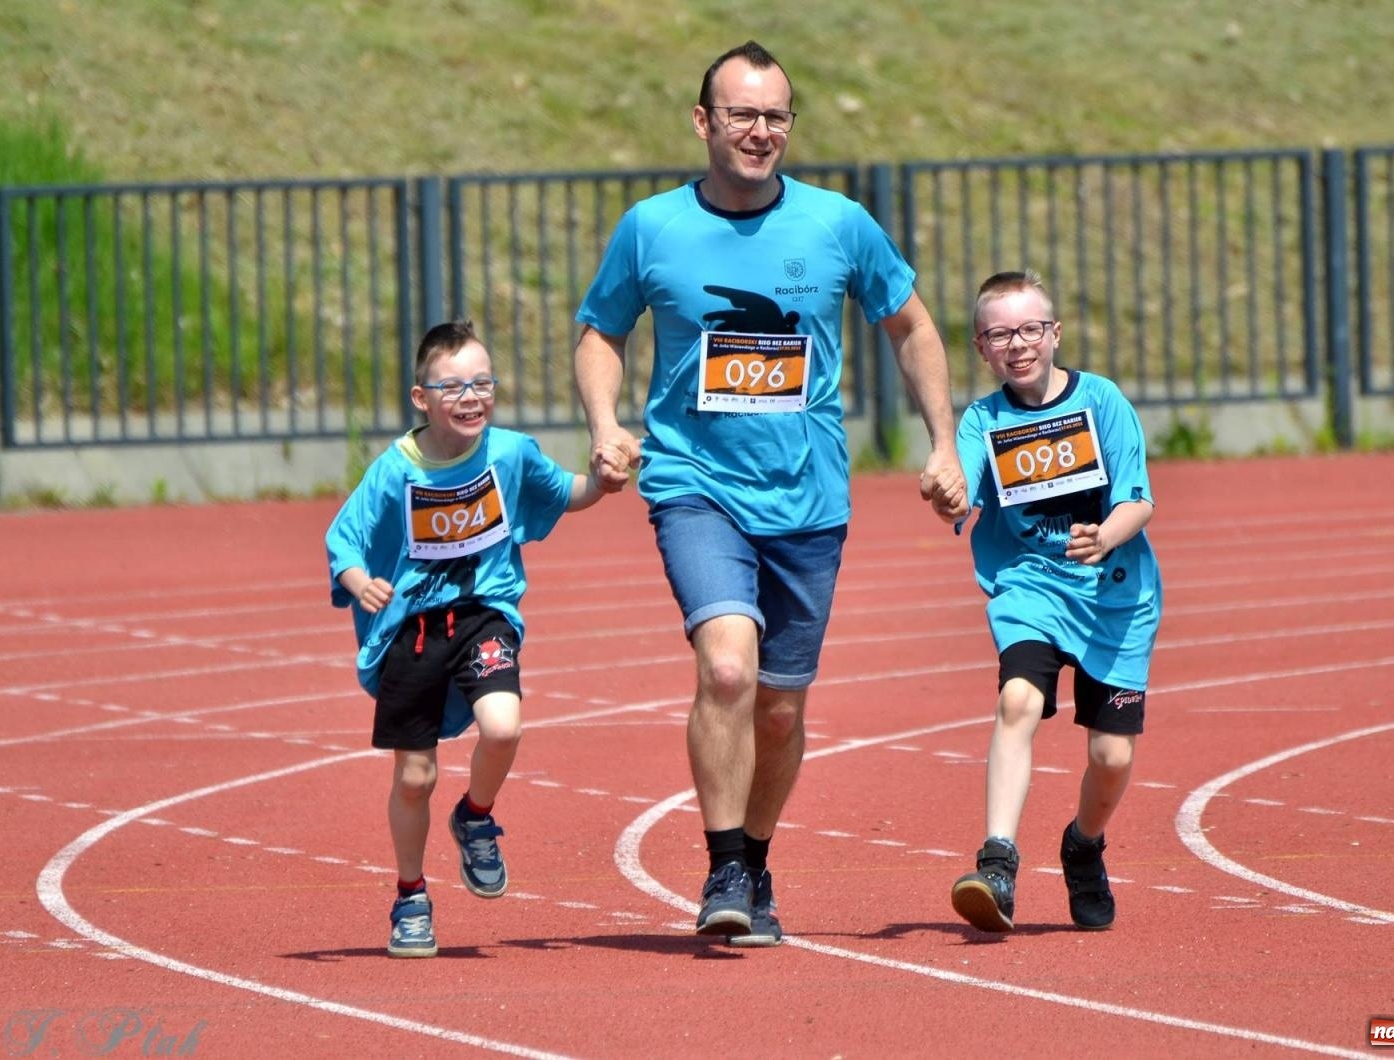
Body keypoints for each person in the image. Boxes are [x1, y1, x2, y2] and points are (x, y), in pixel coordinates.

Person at [573, 39, 967, 947]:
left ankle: (755, 856)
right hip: (693, 483)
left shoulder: (839, 225)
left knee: (782, 705)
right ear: (703, 121)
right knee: (727, 670)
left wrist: (944, 443)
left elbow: (911, 326)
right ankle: (720, 867)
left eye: (776, 116)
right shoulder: (652, 227)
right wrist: (605, 426)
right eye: (743, 114)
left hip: (809, 498)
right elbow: (601, 331)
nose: (760, 131)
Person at [326, 318, 615, 958]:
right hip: (411, 632)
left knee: (504, 726)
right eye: (453, 386)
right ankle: (410, 897)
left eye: (483, 383)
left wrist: (604, 479)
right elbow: (342, 537)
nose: (471, 397)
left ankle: (475, 817)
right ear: (420, 397)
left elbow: (565, 492)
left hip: (484, 616)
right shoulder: (392, 472)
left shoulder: (509, 453)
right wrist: (357, 579)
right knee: (414, 777)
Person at [948, 270, 1162, 933]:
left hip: (1115, 600)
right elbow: (960, 485)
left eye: (1029, 329)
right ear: (983, 347)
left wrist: (1107, 536)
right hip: (1030, 587)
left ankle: (1084, 845)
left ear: (1054, 333)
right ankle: (998, 862)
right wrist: (947, 493)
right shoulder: (982, 421)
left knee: (1112, 757)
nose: (1018, 344)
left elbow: (1139, 498)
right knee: (1018, 701)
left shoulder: (1101, 401)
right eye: (1000, 334)